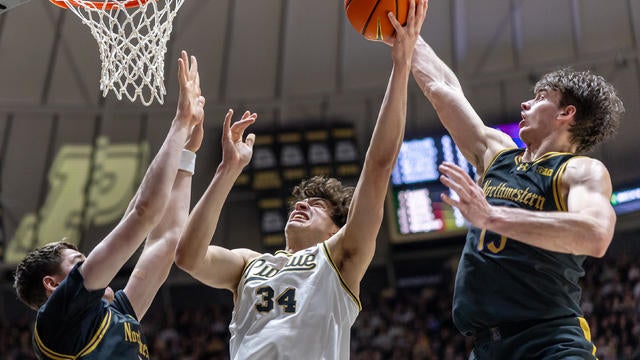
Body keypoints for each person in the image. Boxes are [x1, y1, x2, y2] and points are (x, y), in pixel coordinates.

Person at [173, 1, 428, 358]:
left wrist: (401, 67)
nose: (302, 204)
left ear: (336, 228)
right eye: (301, 202)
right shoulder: (250, 263)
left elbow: (380, 164)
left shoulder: (340, 257)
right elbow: (188, 256)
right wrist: (226, 170)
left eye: (317, 204)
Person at [408, 8, 625, 359]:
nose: (525, 102)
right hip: (484, 348)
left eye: (540, 97)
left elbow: (596, 234)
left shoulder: (580, 171)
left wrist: (491, 217)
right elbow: (443, 88)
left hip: (550, 343)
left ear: (565, 113)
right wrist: (407, 35)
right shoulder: (498, 154)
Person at [13, 50, 205, 359]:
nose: (94, 265)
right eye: (80, 263)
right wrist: (180, 122)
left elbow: (166, 241)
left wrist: (187, 157)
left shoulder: (114, 314)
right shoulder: (57, 321)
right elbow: (143, 214)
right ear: (53, 285)